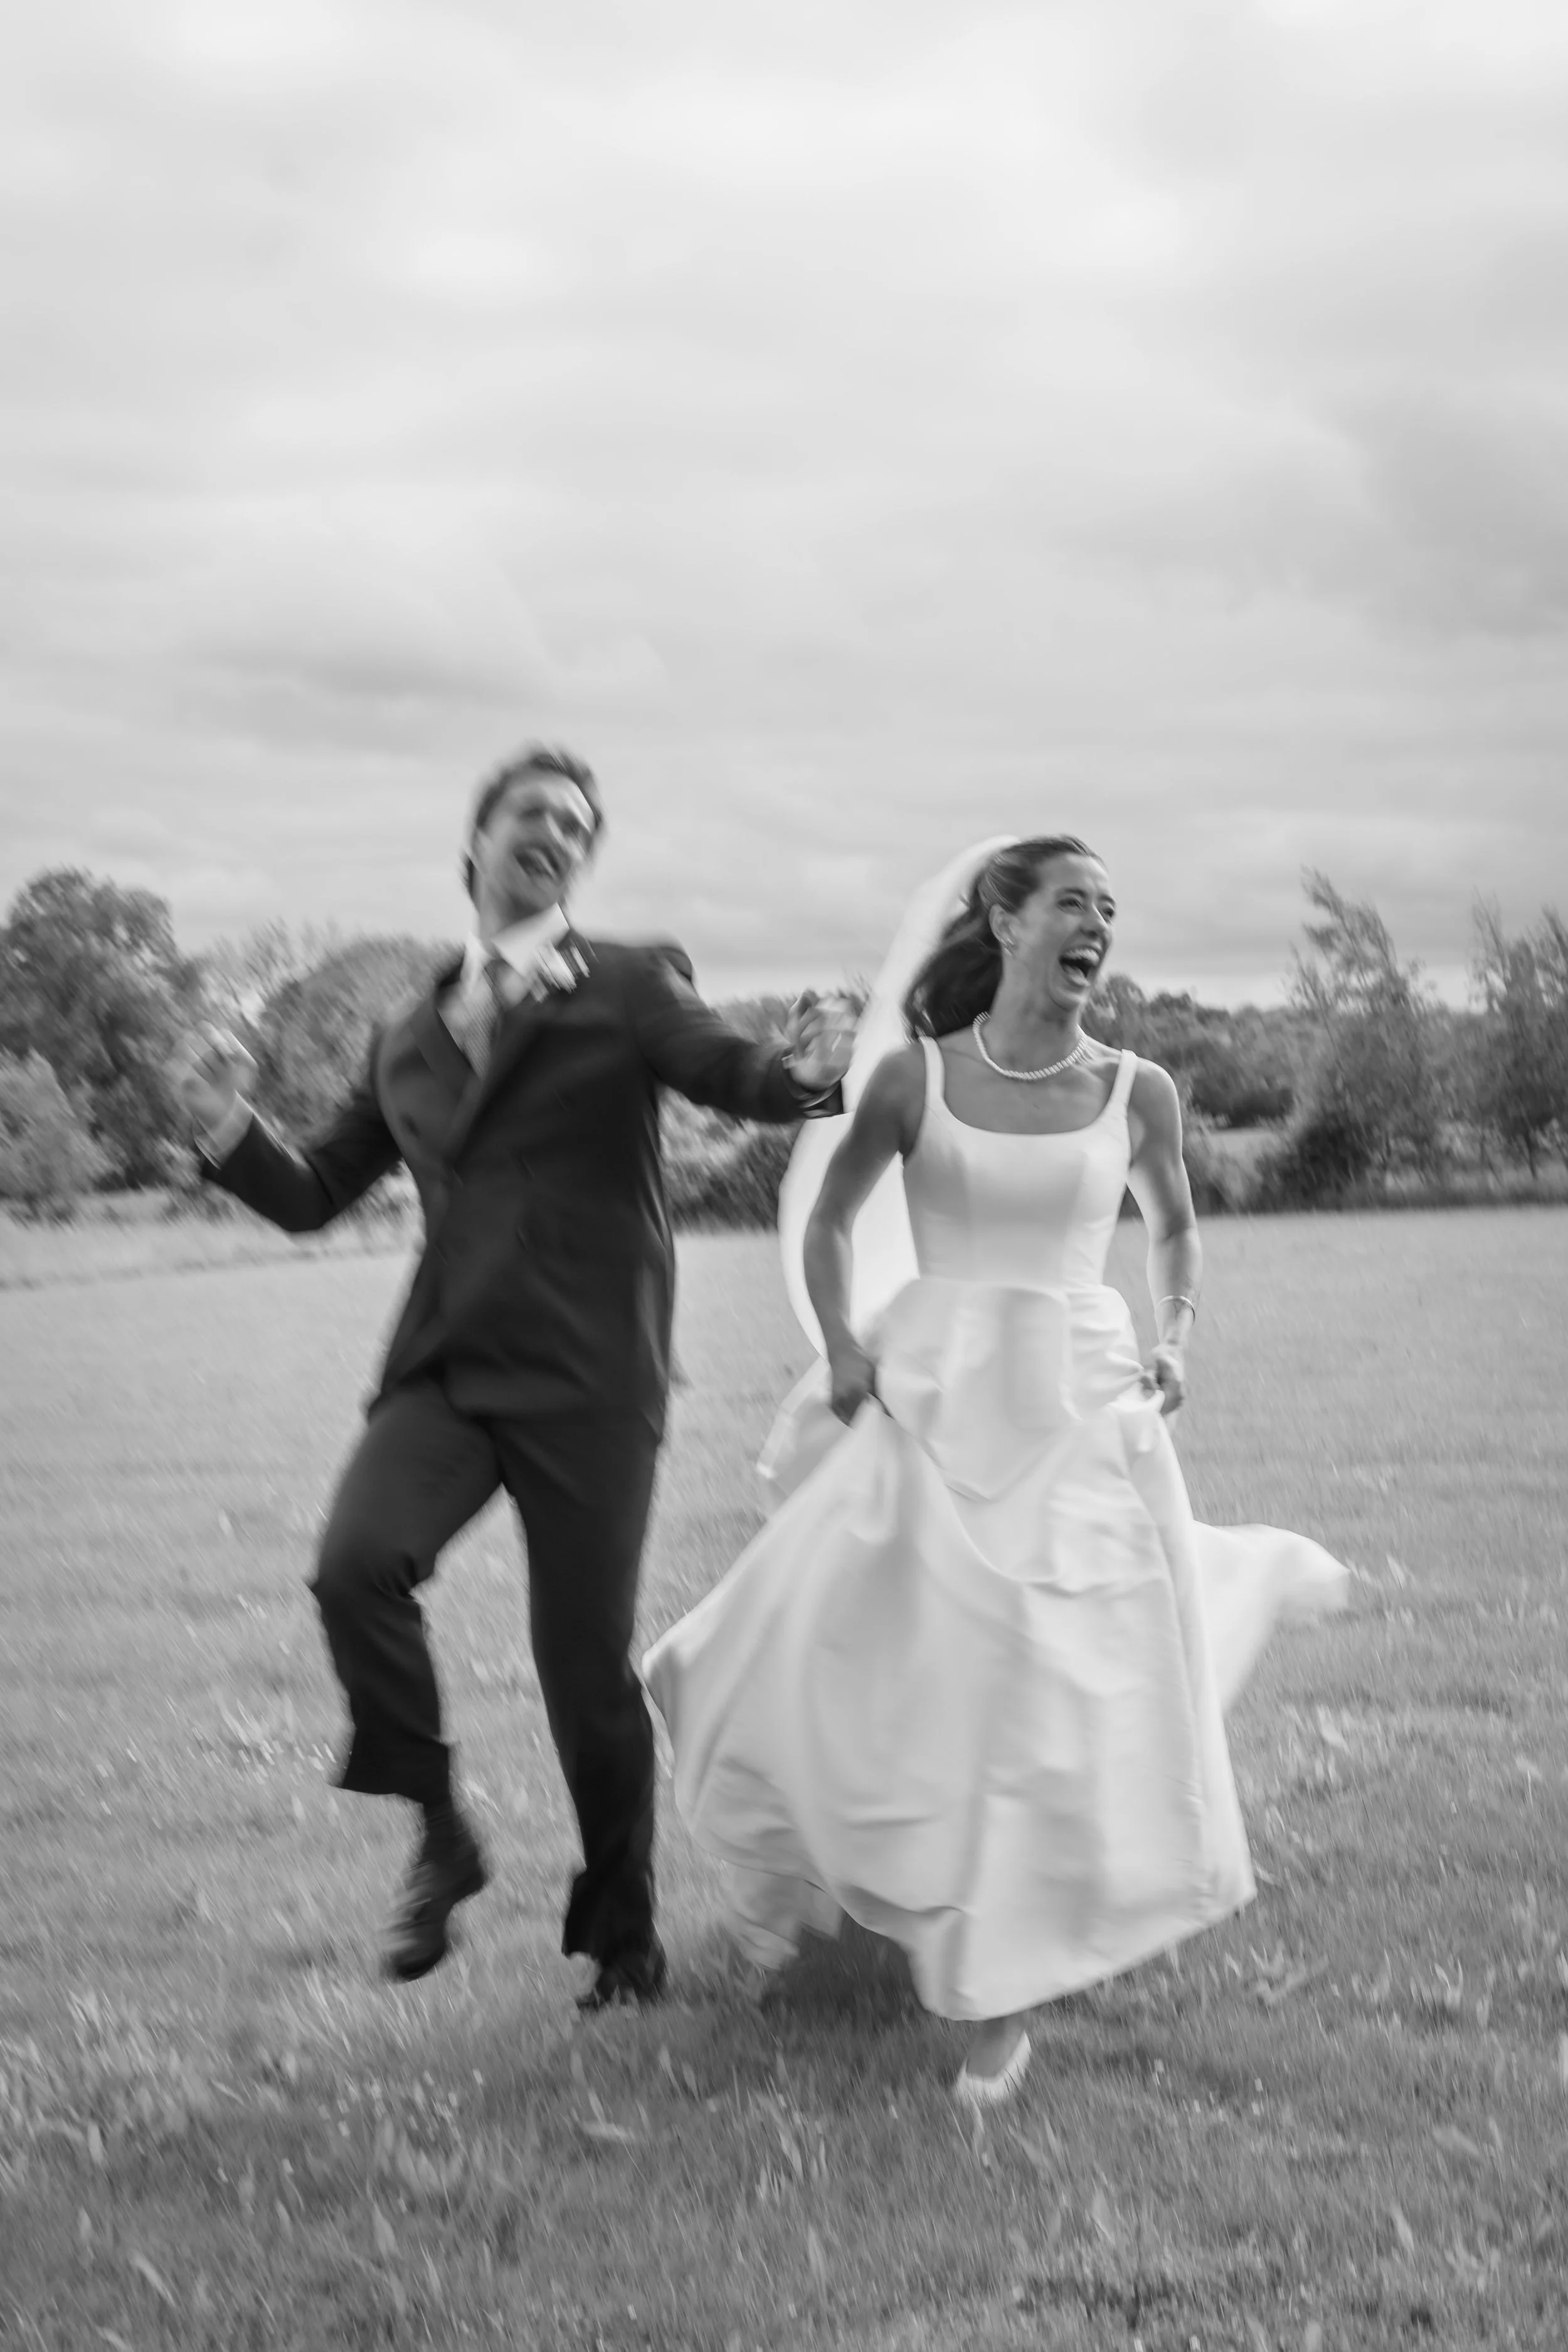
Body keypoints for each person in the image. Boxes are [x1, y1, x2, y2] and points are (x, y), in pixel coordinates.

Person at [644, 834, 1348, 2105]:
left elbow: (1175, 1228)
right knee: (880, 1665)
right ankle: (881, 1911)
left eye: (1109, 912)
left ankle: (998, 2002)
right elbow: (827, 1219)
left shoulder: (1138, 1089)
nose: (1096, 927)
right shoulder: (916, 1080)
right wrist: (847, 1348)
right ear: (1004, 919)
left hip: (1081, 1404)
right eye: (1072, 903)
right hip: (934, 1399)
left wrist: (1175, 1332)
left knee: (1043, 1680)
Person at [167, 744, 851, 2005]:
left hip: (591, 1376)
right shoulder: (406, 1035)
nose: (556, 832)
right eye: (530, 813)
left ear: (580, 864)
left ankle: (622, 1943)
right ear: (472, 847)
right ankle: (441, 1830)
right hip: (446, 1370)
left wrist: (800, 1076)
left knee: (582, 1671)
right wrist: (223, 1128)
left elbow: (725, 1067)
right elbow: (316, 1193)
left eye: (577, 825)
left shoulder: (630, 982)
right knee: (351, 1566)